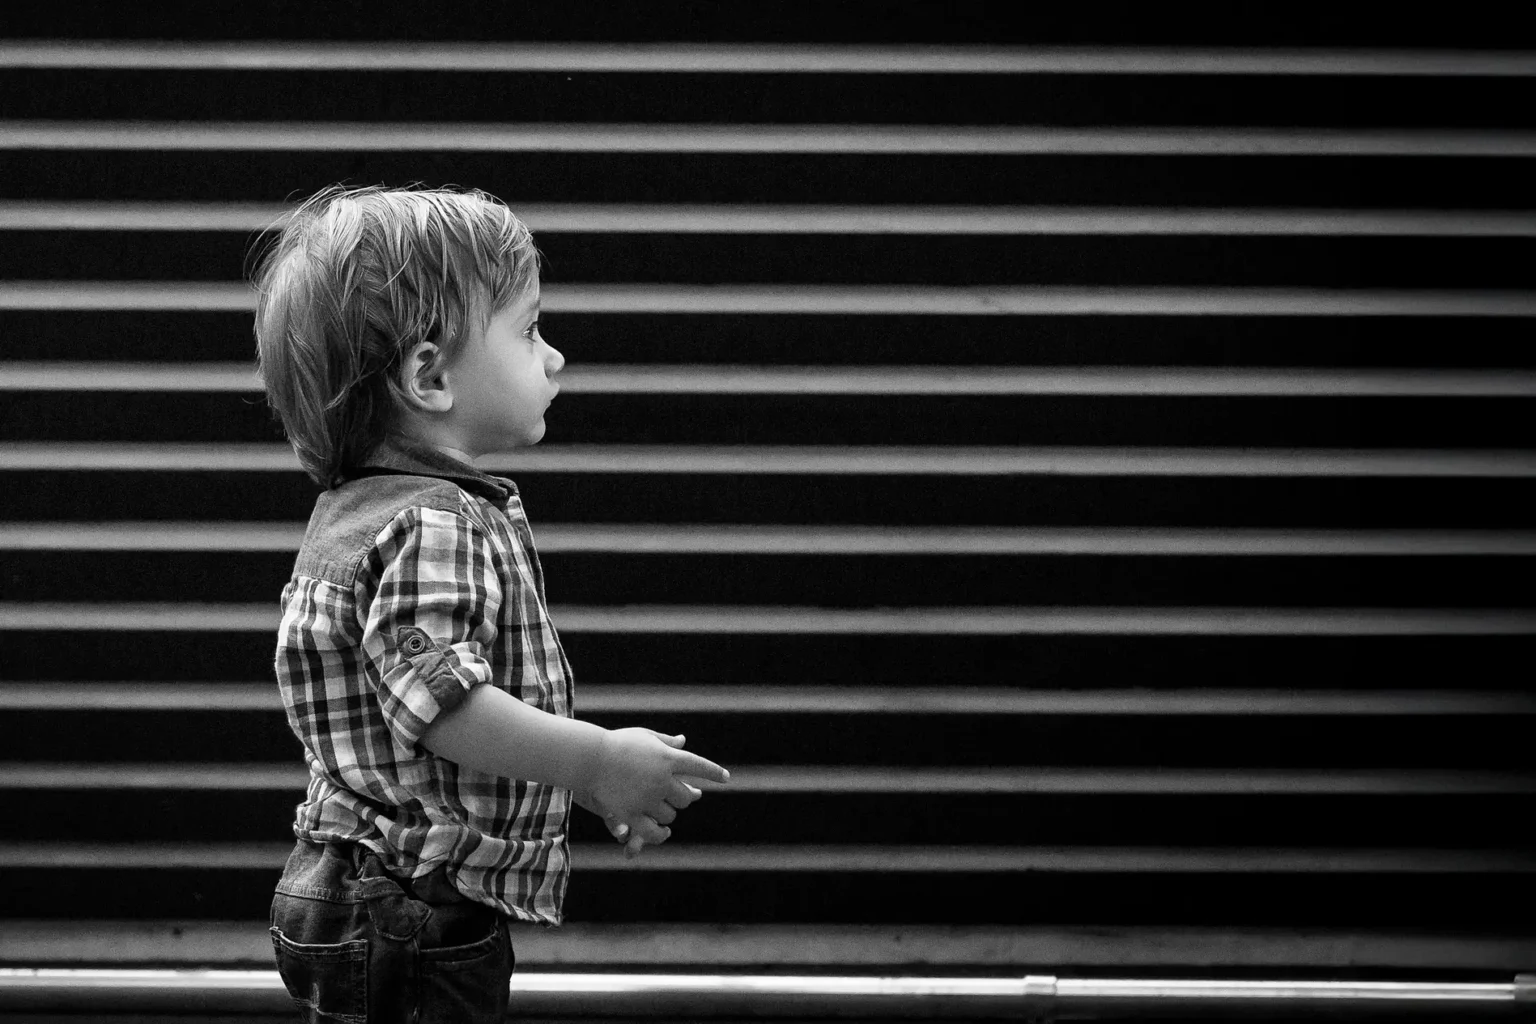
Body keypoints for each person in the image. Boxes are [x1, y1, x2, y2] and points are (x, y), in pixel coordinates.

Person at [252, 184, 730, 1023]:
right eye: (529, 330)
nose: (554, 358)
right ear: (429, 375)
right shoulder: (434, 523)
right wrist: (593, 761)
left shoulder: (360, 513)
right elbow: (440, 706)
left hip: (364, 886)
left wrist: (585, 788)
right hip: (411, 910)